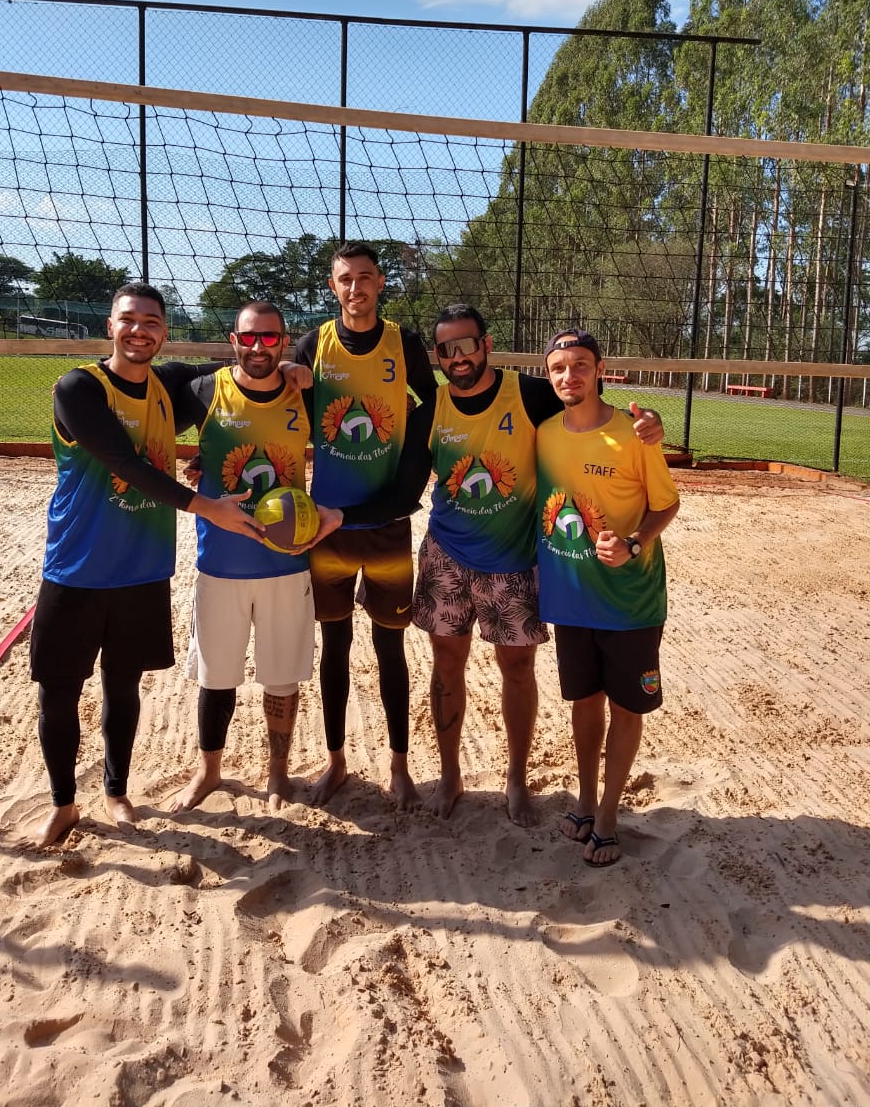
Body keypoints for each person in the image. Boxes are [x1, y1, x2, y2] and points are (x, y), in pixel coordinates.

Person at [355, 304, 664, 826]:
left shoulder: (528, 394)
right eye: (447, 349)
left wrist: (649, 423)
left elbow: (588, 402)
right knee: (446, 664)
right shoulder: (432, 410)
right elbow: (404, 490)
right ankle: (450, 775)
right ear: (437, 356)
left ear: (486, 345)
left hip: (514, 561)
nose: (458, 357)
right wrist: (341, 517)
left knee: (517, 669)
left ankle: (516, 779)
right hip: (447, 556)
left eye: (467, 344)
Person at [30, 282, 267, 847]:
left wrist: (291, 366)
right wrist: (207, 506)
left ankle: (116, 792)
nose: (140, 331)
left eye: (152, 322)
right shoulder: (78, 388)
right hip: (77, 568)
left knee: (124, 685)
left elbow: (237, 367)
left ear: (164, 332)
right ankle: (64, 804)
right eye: (129, 320)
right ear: (110, 327)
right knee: (59, 693)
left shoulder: (168, 383)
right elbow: (126, 464)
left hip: (142, 569)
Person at [168, 300, 341, 813]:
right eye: (248, 337)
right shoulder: (204, 391)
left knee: (281, 676)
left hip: (286, 560)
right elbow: (147, 394)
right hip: (220, 561)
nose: (258, 346)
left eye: (270, 338)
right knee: (216, 676)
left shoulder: (304, 394)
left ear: (284, 341)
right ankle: (209, 771)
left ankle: (277, 772)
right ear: (233, 340)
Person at [293, 241, 438, 810]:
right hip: (326, 527)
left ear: (380, 283)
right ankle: (335, 761)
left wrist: (412, 466)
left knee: (389, 648)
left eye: (365, 277)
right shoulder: (314, 345)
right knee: (334, 646)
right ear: (333, 287)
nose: (356, 287)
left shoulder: (404, 343)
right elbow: (276, 408)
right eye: (345, 279)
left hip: (386, 523)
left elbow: (434, 407)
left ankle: (400, 765)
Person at [537, 328, 679, 867]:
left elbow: (667, 504)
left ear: (600, 370)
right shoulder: (544, 434)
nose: (569, 375)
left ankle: (610, 815)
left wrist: (634, 543)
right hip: (572, 599)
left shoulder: (635, 434)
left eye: (580, 365)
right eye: (558, 368)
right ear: (548, 376)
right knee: (584, 702)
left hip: (630, 602)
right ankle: (584, 800)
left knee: (625, 706)